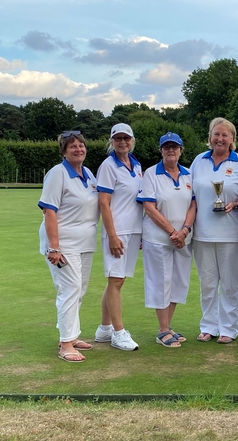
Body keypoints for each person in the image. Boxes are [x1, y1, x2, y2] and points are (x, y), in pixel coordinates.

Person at [190, 117, 238, 344]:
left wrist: (236, 203)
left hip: (232, 233)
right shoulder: (199, 161)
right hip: (202, 234)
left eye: (225, 135)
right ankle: (209, 326)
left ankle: (228, 328)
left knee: (229, 284)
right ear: (210, 137)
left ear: (232, 138)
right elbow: (190, 194)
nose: (220, 138)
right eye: (216, 134)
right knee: (207, 284)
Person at [38, 130, 99, 363]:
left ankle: (71, 336)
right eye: (72, 146)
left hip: (85, 242)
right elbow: (49, 210)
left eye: (81, 145)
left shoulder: (88, 174)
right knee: (69, 288)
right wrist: (54, 247)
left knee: (79, 289)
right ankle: (65, 344)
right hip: (63, 243)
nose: (78, 149)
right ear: (64, 151)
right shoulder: (57, 173)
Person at [137, 132, 196, 348]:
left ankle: (167, 326)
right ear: (161, 150)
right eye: (167, 147)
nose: (171, 150)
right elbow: (149, 207)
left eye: (175, 147)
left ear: (181, 150)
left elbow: (193, 204)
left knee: (178, 282)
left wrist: (185, 230)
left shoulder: (188, 174)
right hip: (158, 239)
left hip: (183, 239)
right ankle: (162, 330)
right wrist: (173, 232)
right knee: (161, 282)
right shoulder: (151, 174)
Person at [94, 123, 143, 351]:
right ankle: (118, 332)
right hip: (117, 231)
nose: (122, 142)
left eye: (126, 138)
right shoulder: (108, 166)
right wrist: (112, 236)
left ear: (132, 140)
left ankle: (104, 329)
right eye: (118, 138)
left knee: (118, 280)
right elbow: (104, 203)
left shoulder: (136, 164)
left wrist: (140, 233)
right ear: (112, 141)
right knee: (115, 280)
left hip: (133, 230)